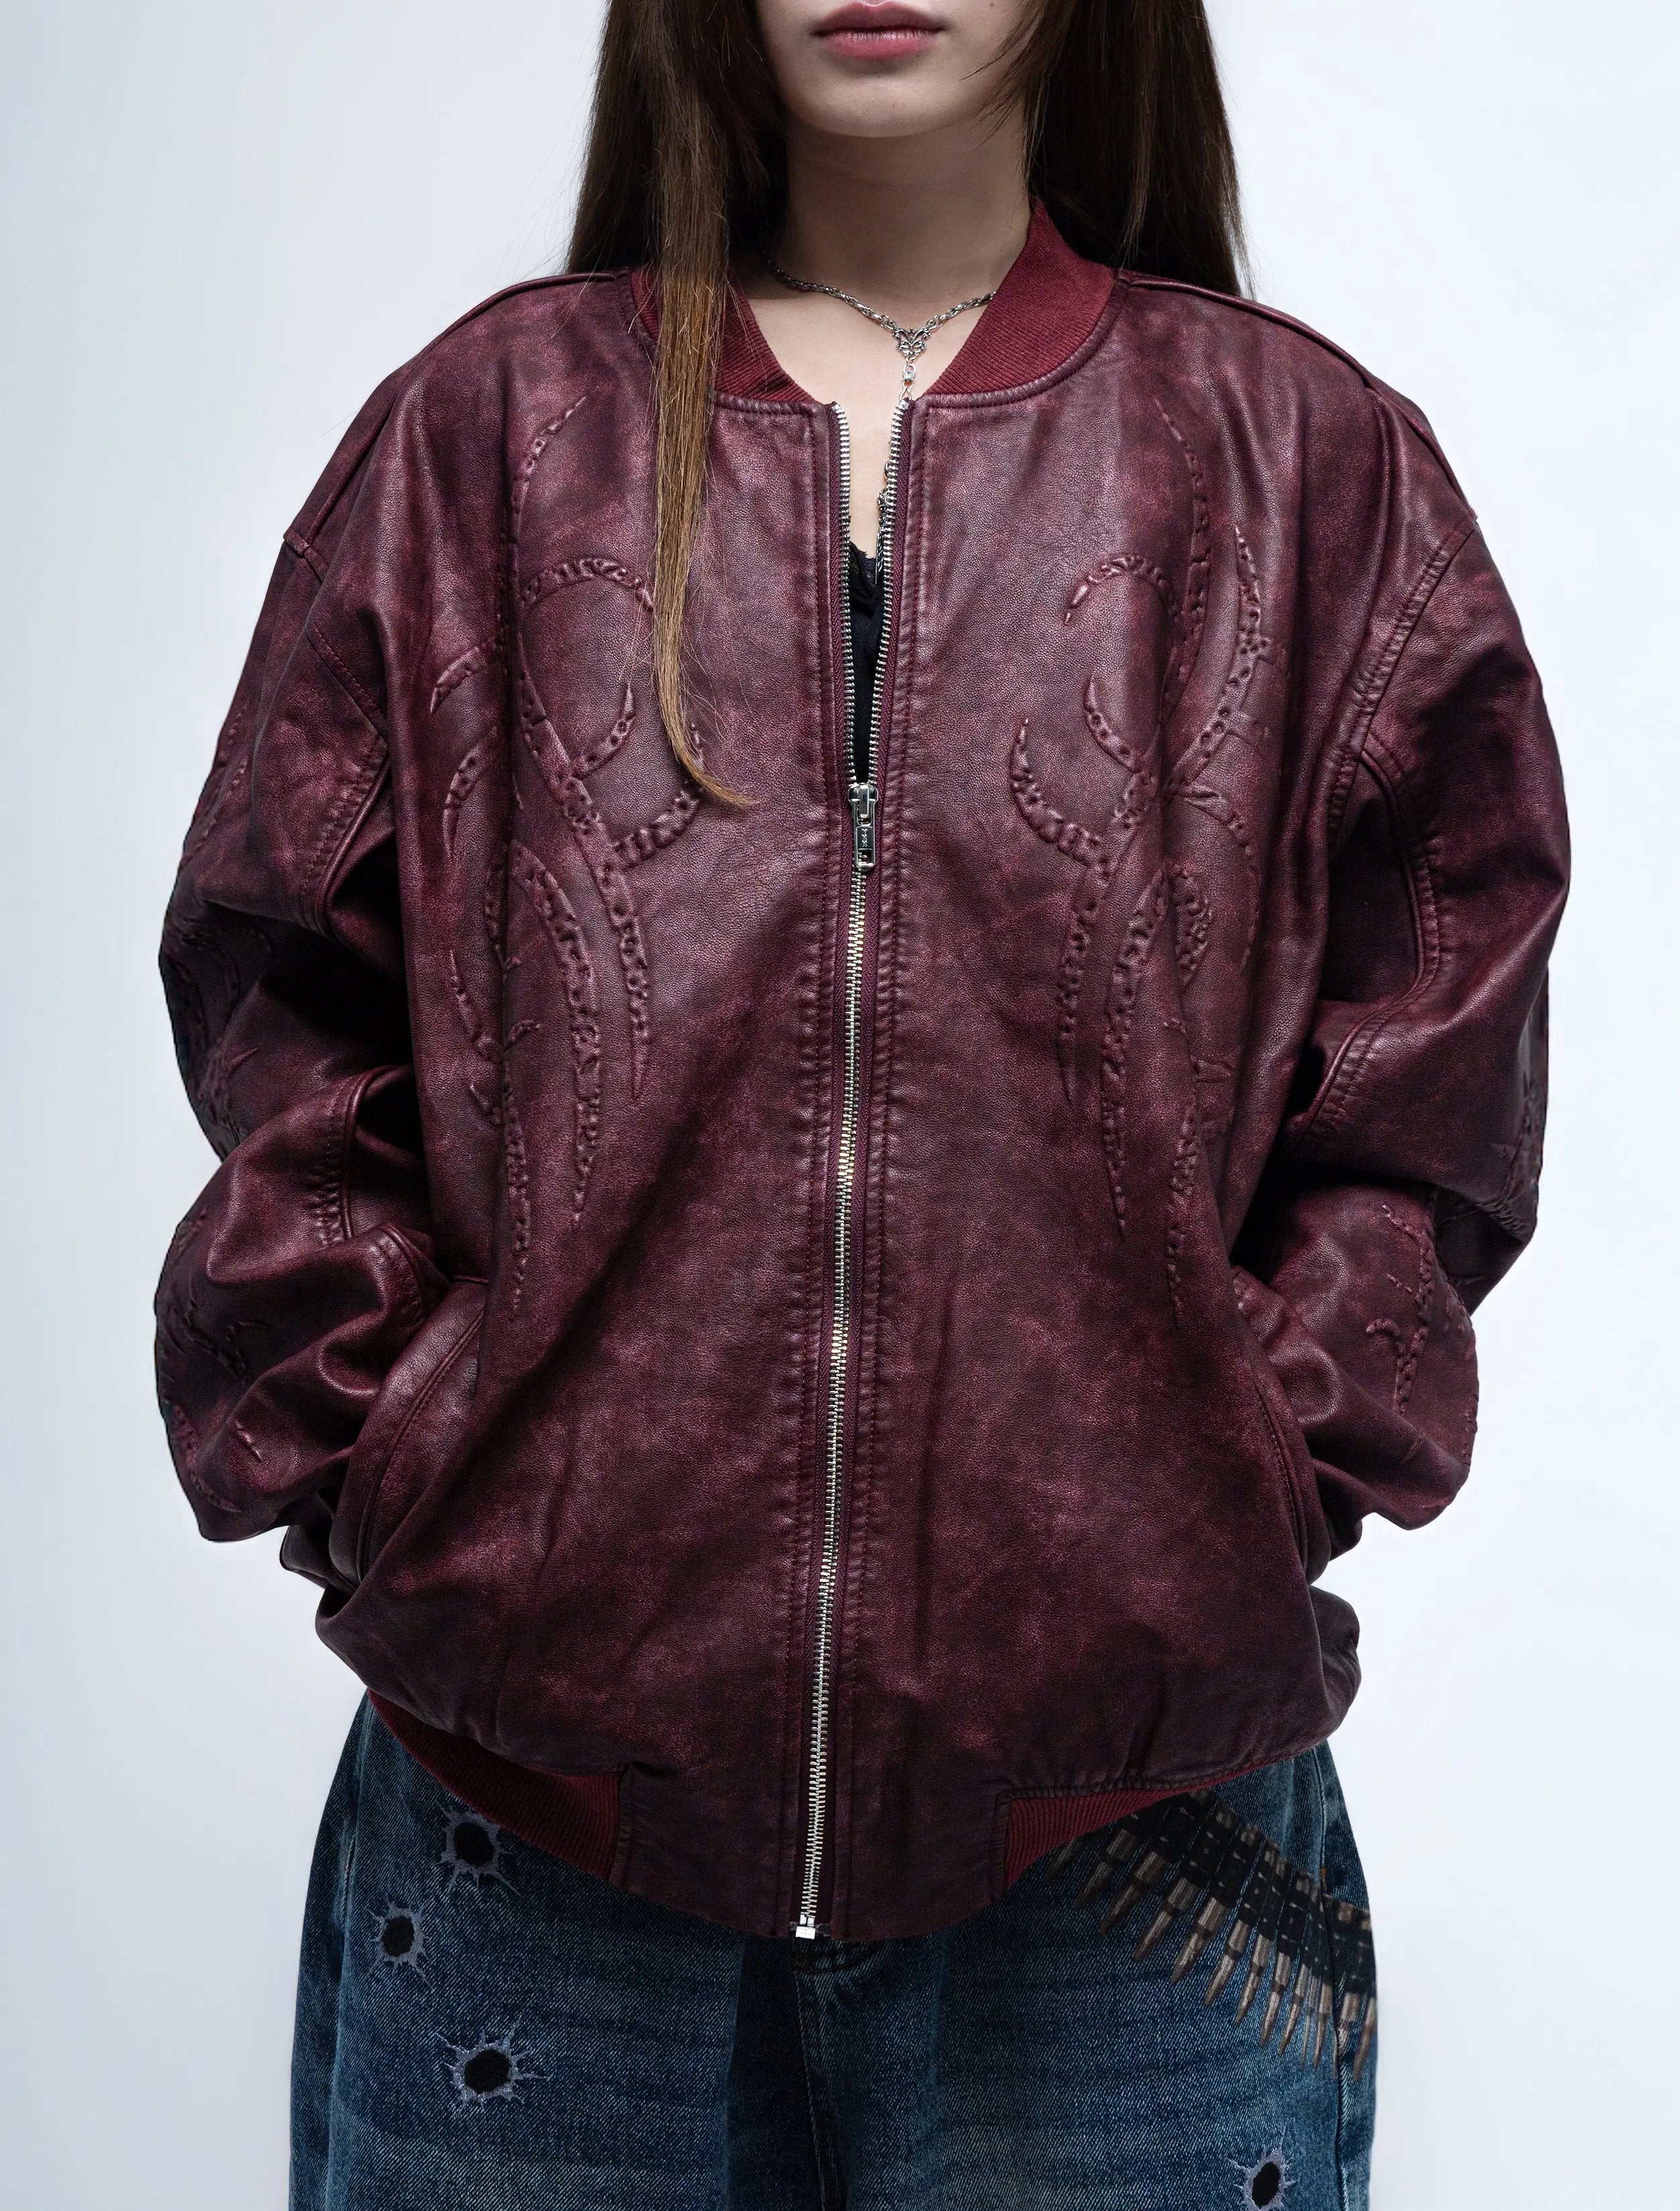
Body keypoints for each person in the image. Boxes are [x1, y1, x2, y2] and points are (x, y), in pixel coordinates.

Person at [154, 1, 1569, 2202]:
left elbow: (1436, 1049)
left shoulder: (1299, 469)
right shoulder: (491, 442)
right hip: (534, 1837)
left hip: (1130, 1866)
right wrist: (414, 1453)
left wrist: (1233, 1470)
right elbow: (282, 988)